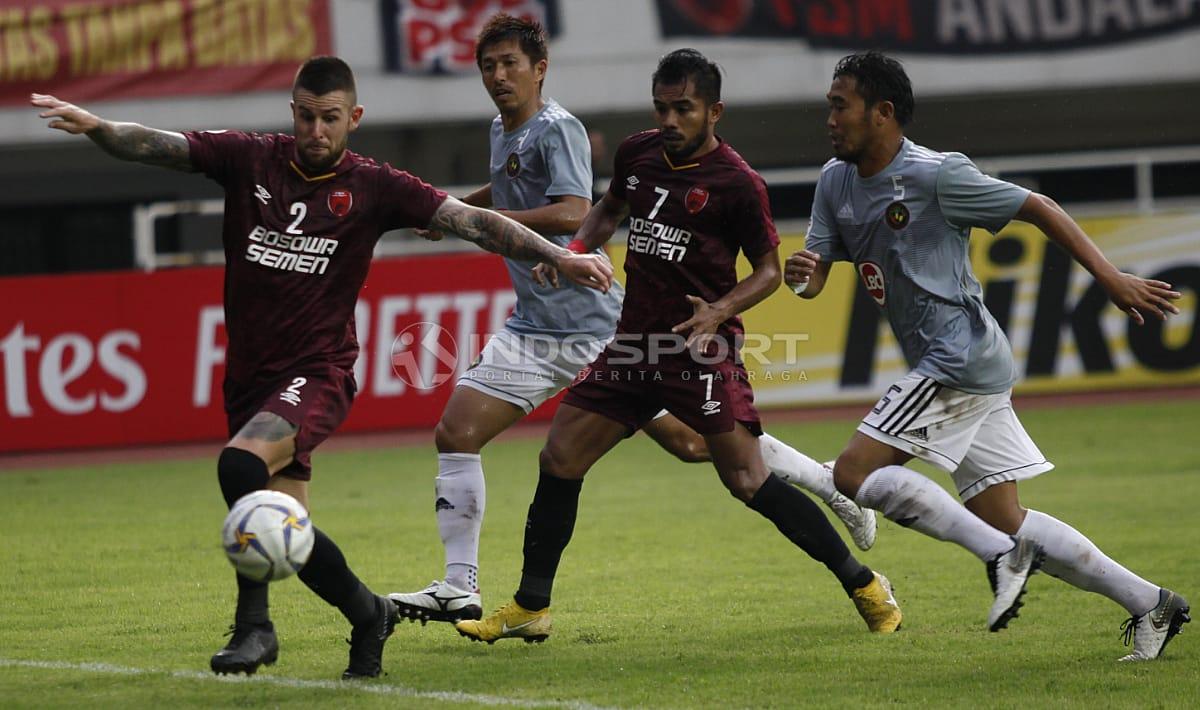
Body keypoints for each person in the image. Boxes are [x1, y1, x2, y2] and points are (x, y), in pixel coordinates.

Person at [30, 56, 612, 679]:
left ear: (353, 118)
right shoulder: (249, 158)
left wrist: (565, 257)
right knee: (291, 529)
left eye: (329, 118)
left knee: (239, 464)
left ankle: (255, 628)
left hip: (319, 370)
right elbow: (160, 146)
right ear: (293, 112)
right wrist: (97, 127)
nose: (316, 130)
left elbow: (473, 221)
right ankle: (368, 615)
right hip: (251, 375)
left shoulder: (375, 185)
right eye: (306, 116)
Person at [388, 19, 876, 628]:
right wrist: (461, 210)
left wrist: (516, 235)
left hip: (599, 324)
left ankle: (828, 485)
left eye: (510, 63)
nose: (498, 76)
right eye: (488, 66)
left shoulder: (558, 127)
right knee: (461, 435)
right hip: (537, 327)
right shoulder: (508, 130)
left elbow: (573, 209)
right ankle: (463, 588)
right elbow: (569, 198)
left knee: (698, 446)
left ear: (540, 68)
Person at [786, 50, 1189, 659]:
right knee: (1006, 515)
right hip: (963, 361)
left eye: (840, 106)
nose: (830, 119)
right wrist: (804, 275)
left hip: (959, 357)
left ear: (883, 112)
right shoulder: (834, 180)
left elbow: (1039, 207)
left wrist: (1111, 279)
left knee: (853, 474)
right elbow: (814, 275)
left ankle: (1001, 558)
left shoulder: (938, 175)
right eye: (830, 107)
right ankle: (1152, 603)